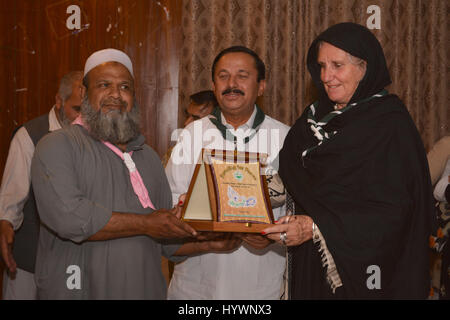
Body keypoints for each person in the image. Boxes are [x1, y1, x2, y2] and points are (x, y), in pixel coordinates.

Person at [30, 48, 240, 299]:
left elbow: (165, 238)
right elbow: (70, 218)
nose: (116, 95)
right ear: (85, 93)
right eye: (104, 85)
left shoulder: (148, 156)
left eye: (125, 87)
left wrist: (212, 243)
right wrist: (147, 223)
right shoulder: (57, 146)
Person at [263, 22, 435, 299]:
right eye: (321, 66)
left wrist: (314, 227)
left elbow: (396, 211)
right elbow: (292, 179)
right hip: (310, 263)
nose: (326, 76)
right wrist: (234, 196)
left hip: (367, 272)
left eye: (337, 65)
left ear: (364, 68)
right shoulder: (312, 117)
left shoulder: (390, 123)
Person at [165, 46, 290, 299]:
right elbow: (170, 204)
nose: (231, 84)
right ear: (214, 85)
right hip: (196, 287)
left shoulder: (286, 138)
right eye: (223, 76)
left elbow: (297, 213)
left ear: (261, 86)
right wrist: (197, 221)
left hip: (259, 287)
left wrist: (273, 237)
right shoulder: (190, 135)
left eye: (242, 76)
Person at [0, 71, 83, 299]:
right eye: (76, 109)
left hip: (73, 260)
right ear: (59, 100)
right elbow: (11, 197)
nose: (81, 119)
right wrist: (5, 224)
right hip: (29, 258)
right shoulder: (29, 136)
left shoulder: (93, 136)